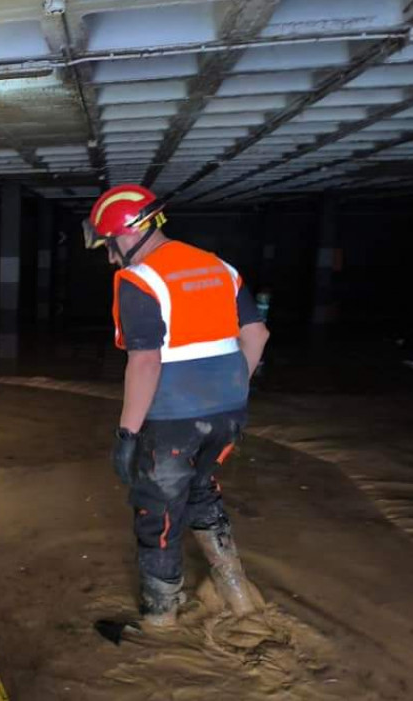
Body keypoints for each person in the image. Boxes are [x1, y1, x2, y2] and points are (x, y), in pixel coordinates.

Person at [83, 184, 270, 626]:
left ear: (128, 234)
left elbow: (145, 362)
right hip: (229, 412)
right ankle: (237, 591)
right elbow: (257, 336)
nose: (111, 257)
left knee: (158, 512)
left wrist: (126, 434)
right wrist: (229, 389)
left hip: (174, 420)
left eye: (110, 246)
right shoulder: (220, 267)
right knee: (201, 489)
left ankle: (161, 622)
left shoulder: (138, 279)